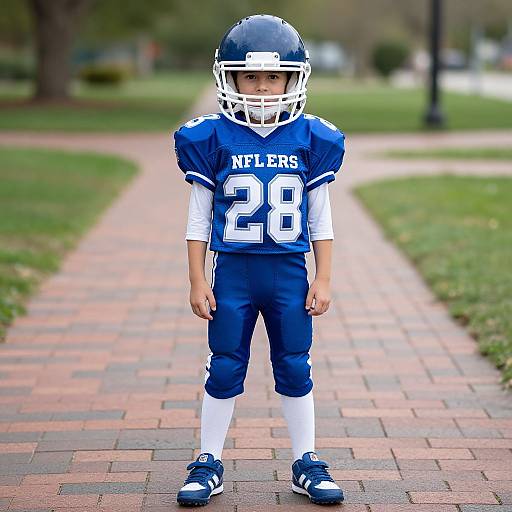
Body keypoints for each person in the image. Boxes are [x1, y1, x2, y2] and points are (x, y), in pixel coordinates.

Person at [173, 14, 346, 507]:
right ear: (230, 77)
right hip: (234, 272)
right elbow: (199, 218)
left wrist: (325, 277)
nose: (263, 87)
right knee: (225, 364)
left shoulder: (313, 139)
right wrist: (195, 279)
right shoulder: (213, 138)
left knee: (295, 364)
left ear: (294, 79)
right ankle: (207, 462)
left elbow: (321, 220)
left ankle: (306, 461)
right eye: (251, 75)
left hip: (290, 272)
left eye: (274, 76)